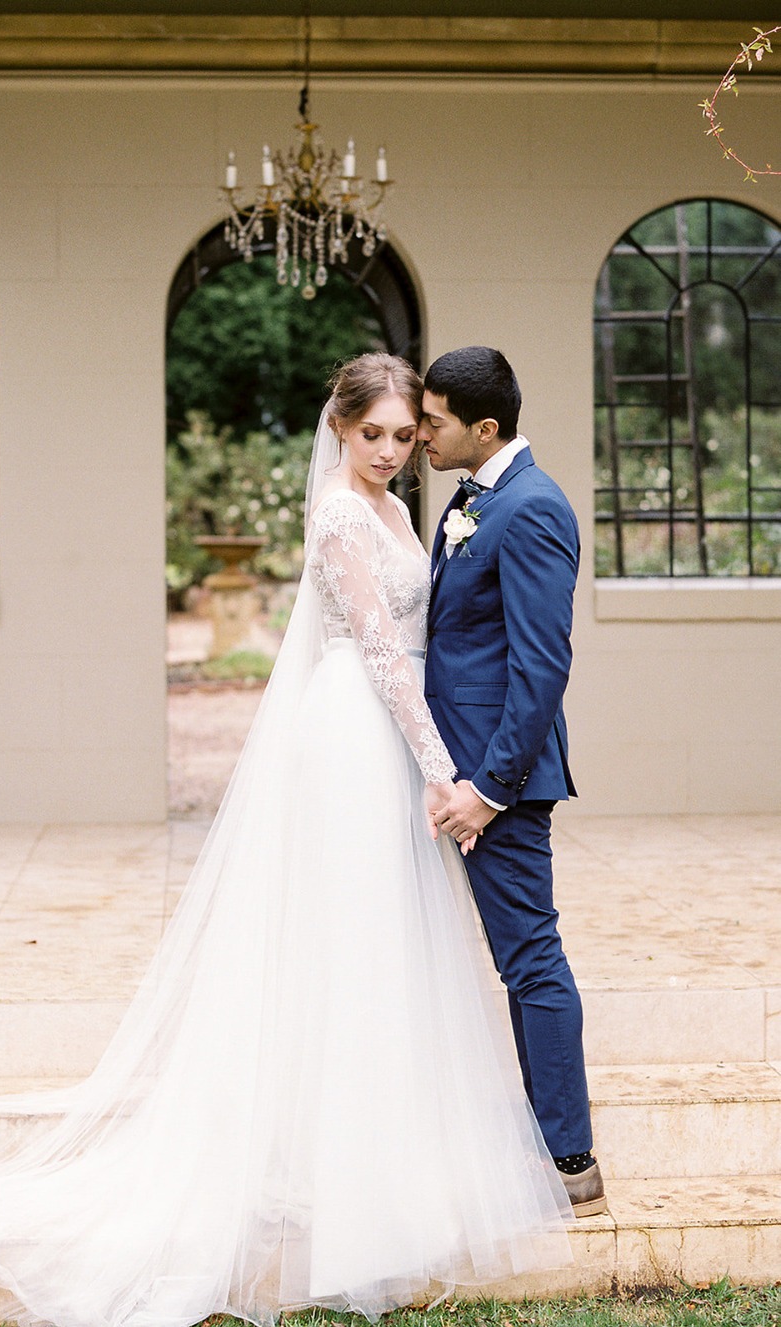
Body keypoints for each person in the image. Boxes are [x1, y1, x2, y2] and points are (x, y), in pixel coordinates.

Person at [0, 353, 572, 1327]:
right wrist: (438, 769)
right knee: (348, 941)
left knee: (388, 946)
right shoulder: (342, 512)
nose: (388, 451)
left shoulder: (399, 510)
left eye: (400, 434)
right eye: (370, 433)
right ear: (337, 428)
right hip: (355, 733)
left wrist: (437, 754)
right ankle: (330, 1175)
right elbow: (382, 653)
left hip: (398, 733)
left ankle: (383, 1153)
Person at [417, 345, 605, 1218]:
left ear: (484, 427)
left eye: (435, 420)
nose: (421, 433)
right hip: (448, 774)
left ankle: (569, 1157)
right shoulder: (471, 499)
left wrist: (487, 790)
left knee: (530, 959)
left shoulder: (530, 508)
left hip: (499, 787)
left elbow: (540, 664)